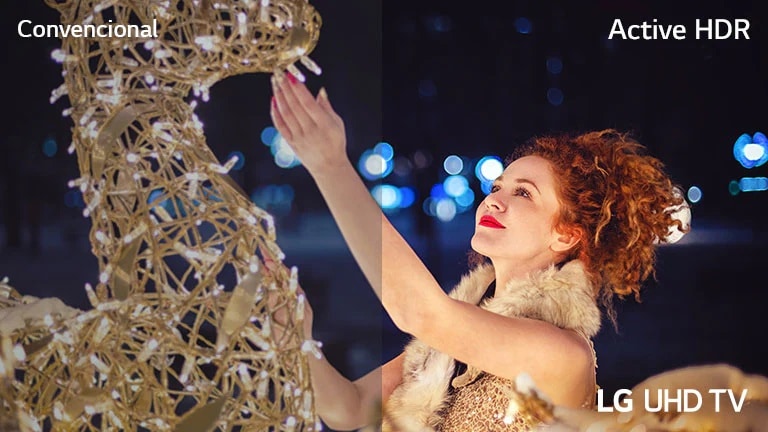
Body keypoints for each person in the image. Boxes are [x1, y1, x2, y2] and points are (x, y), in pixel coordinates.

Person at [267, 69, 689, 431]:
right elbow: (349, 408)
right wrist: (295, 337)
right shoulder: (446, 343)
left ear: (565, 235)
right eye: (496, 186)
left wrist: (330, 165)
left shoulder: (563, 354)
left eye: (523, 193)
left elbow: (418, 311)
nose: (493, 201)